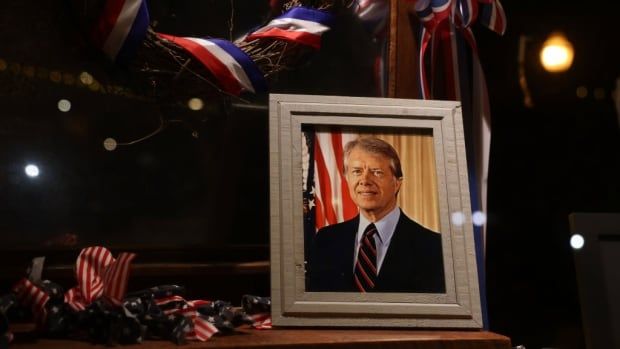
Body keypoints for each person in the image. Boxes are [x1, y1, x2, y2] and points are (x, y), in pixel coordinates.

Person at [307, 136, 445, 293]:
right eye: (357, 171)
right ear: (347, 179)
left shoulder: (434, 248)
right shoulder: (325, 241)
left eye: (377, 172)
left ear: (397, 183)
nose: (364, 180)